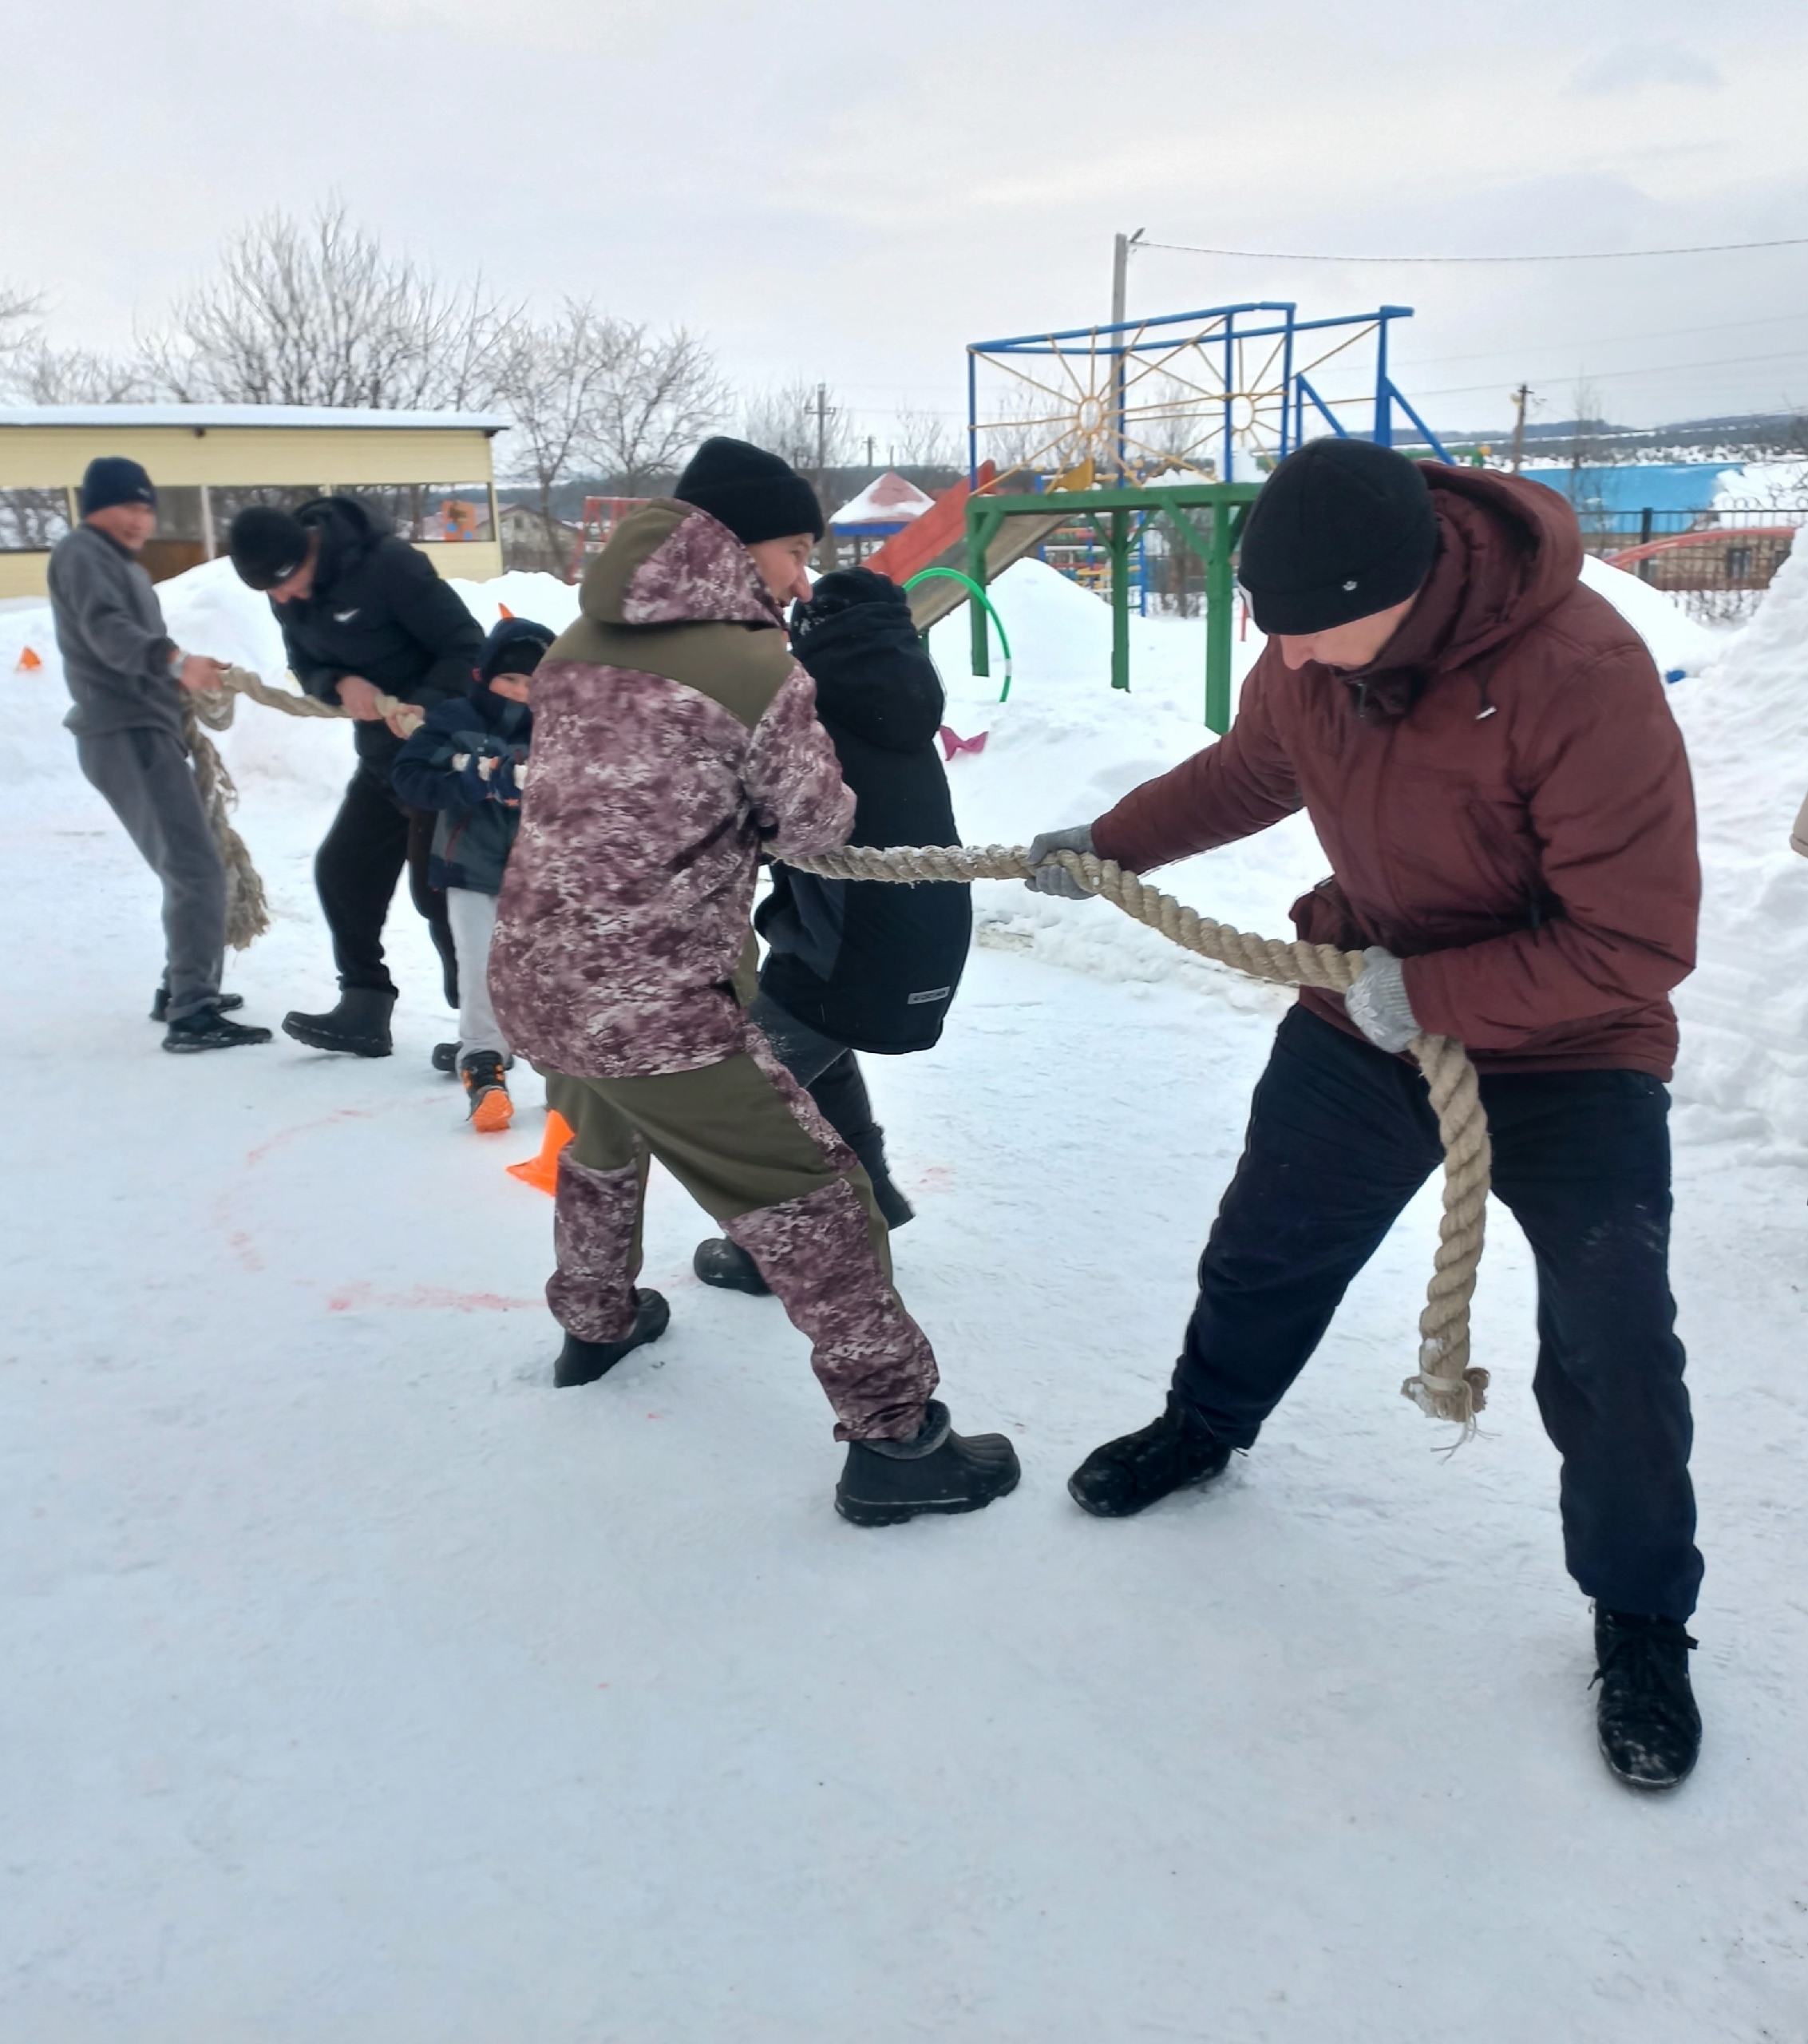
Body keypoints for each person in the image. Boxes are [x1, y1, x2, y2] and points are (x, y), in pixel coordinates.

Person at [1027, 438, 1703, 1790]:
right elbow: (1247, 772)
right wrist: (1111, 844)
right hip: (1368, 1003)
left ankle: (1641, 1616)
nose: (1303, 662)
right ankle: (1204, 1425)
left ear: (1416, 584)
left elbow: (1635, 945)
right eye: (1284, 639)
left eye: (1325, 636)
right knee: (1270, 1238)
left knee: (1612, 1332)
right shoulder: (1307, 657)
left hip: (1571, 1038)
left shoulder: (1581, 673)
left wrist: (1440, 990)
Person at [489, 437, 1018, 1525]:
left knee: (598, 1143)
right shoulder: (751, 665)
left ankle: (594, 1324)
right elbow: (817, 822)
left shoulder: (579, 640)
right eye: (791, 551)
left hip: (539, 972)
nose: (799, 579)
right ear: (737, 545)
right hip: (655, 1003)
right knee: (821, 1205)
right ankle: (900, 1442)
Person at [691, 564, 971, 1294]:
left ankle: (775, 1250)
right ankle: (870, 1195)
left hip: (851, 944)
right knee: (819, 1044)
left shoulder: (807, 699)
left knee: (738, 1097)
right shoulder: (899, 685)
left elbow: (768, 809)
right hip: (922, 932)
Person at [227, 496, 485, 1060]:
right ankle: (364, 1006)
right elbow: (305, 663)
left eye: (287, 583)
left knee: (439, 895)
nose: (283, 599)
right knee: (343, 872)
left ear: (308, 549)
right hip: (380, 759)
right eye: (269, 591)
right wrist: (338, 681)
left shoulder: (389, 567)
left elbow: (469, 646)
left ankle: (485, 1029)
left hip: (440, 757)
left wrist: (422, 706)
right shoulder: (286, 592)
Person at [47, 457, 273, 1053]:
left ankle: (182, 987)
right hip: (125, 733)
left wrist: (182, 675)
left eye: (147, 508)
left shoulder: (117, 565)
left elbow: (127, 644)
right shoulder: (83, 555)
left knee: (189, 862)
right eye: (128, 506)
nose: (139, 519)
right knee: (195, 867)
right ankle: (191, 1011)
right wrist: (175, 664)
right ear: (95, 506)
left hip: (144, 729)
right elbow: (110, 634)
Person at [391, 616, 550, 1132]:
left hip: (542, 876)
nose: (521, 692)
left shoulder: (561, 729)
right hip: (470, 870)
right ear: (484, 677)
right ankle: (483, 1063)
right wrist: (472, 781)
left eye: (533, 682)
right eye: (510, 680)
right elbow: (411, 776)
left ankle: (567, 1079)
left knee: (548, 973)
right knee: (481, 966)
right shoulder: (454, 719)